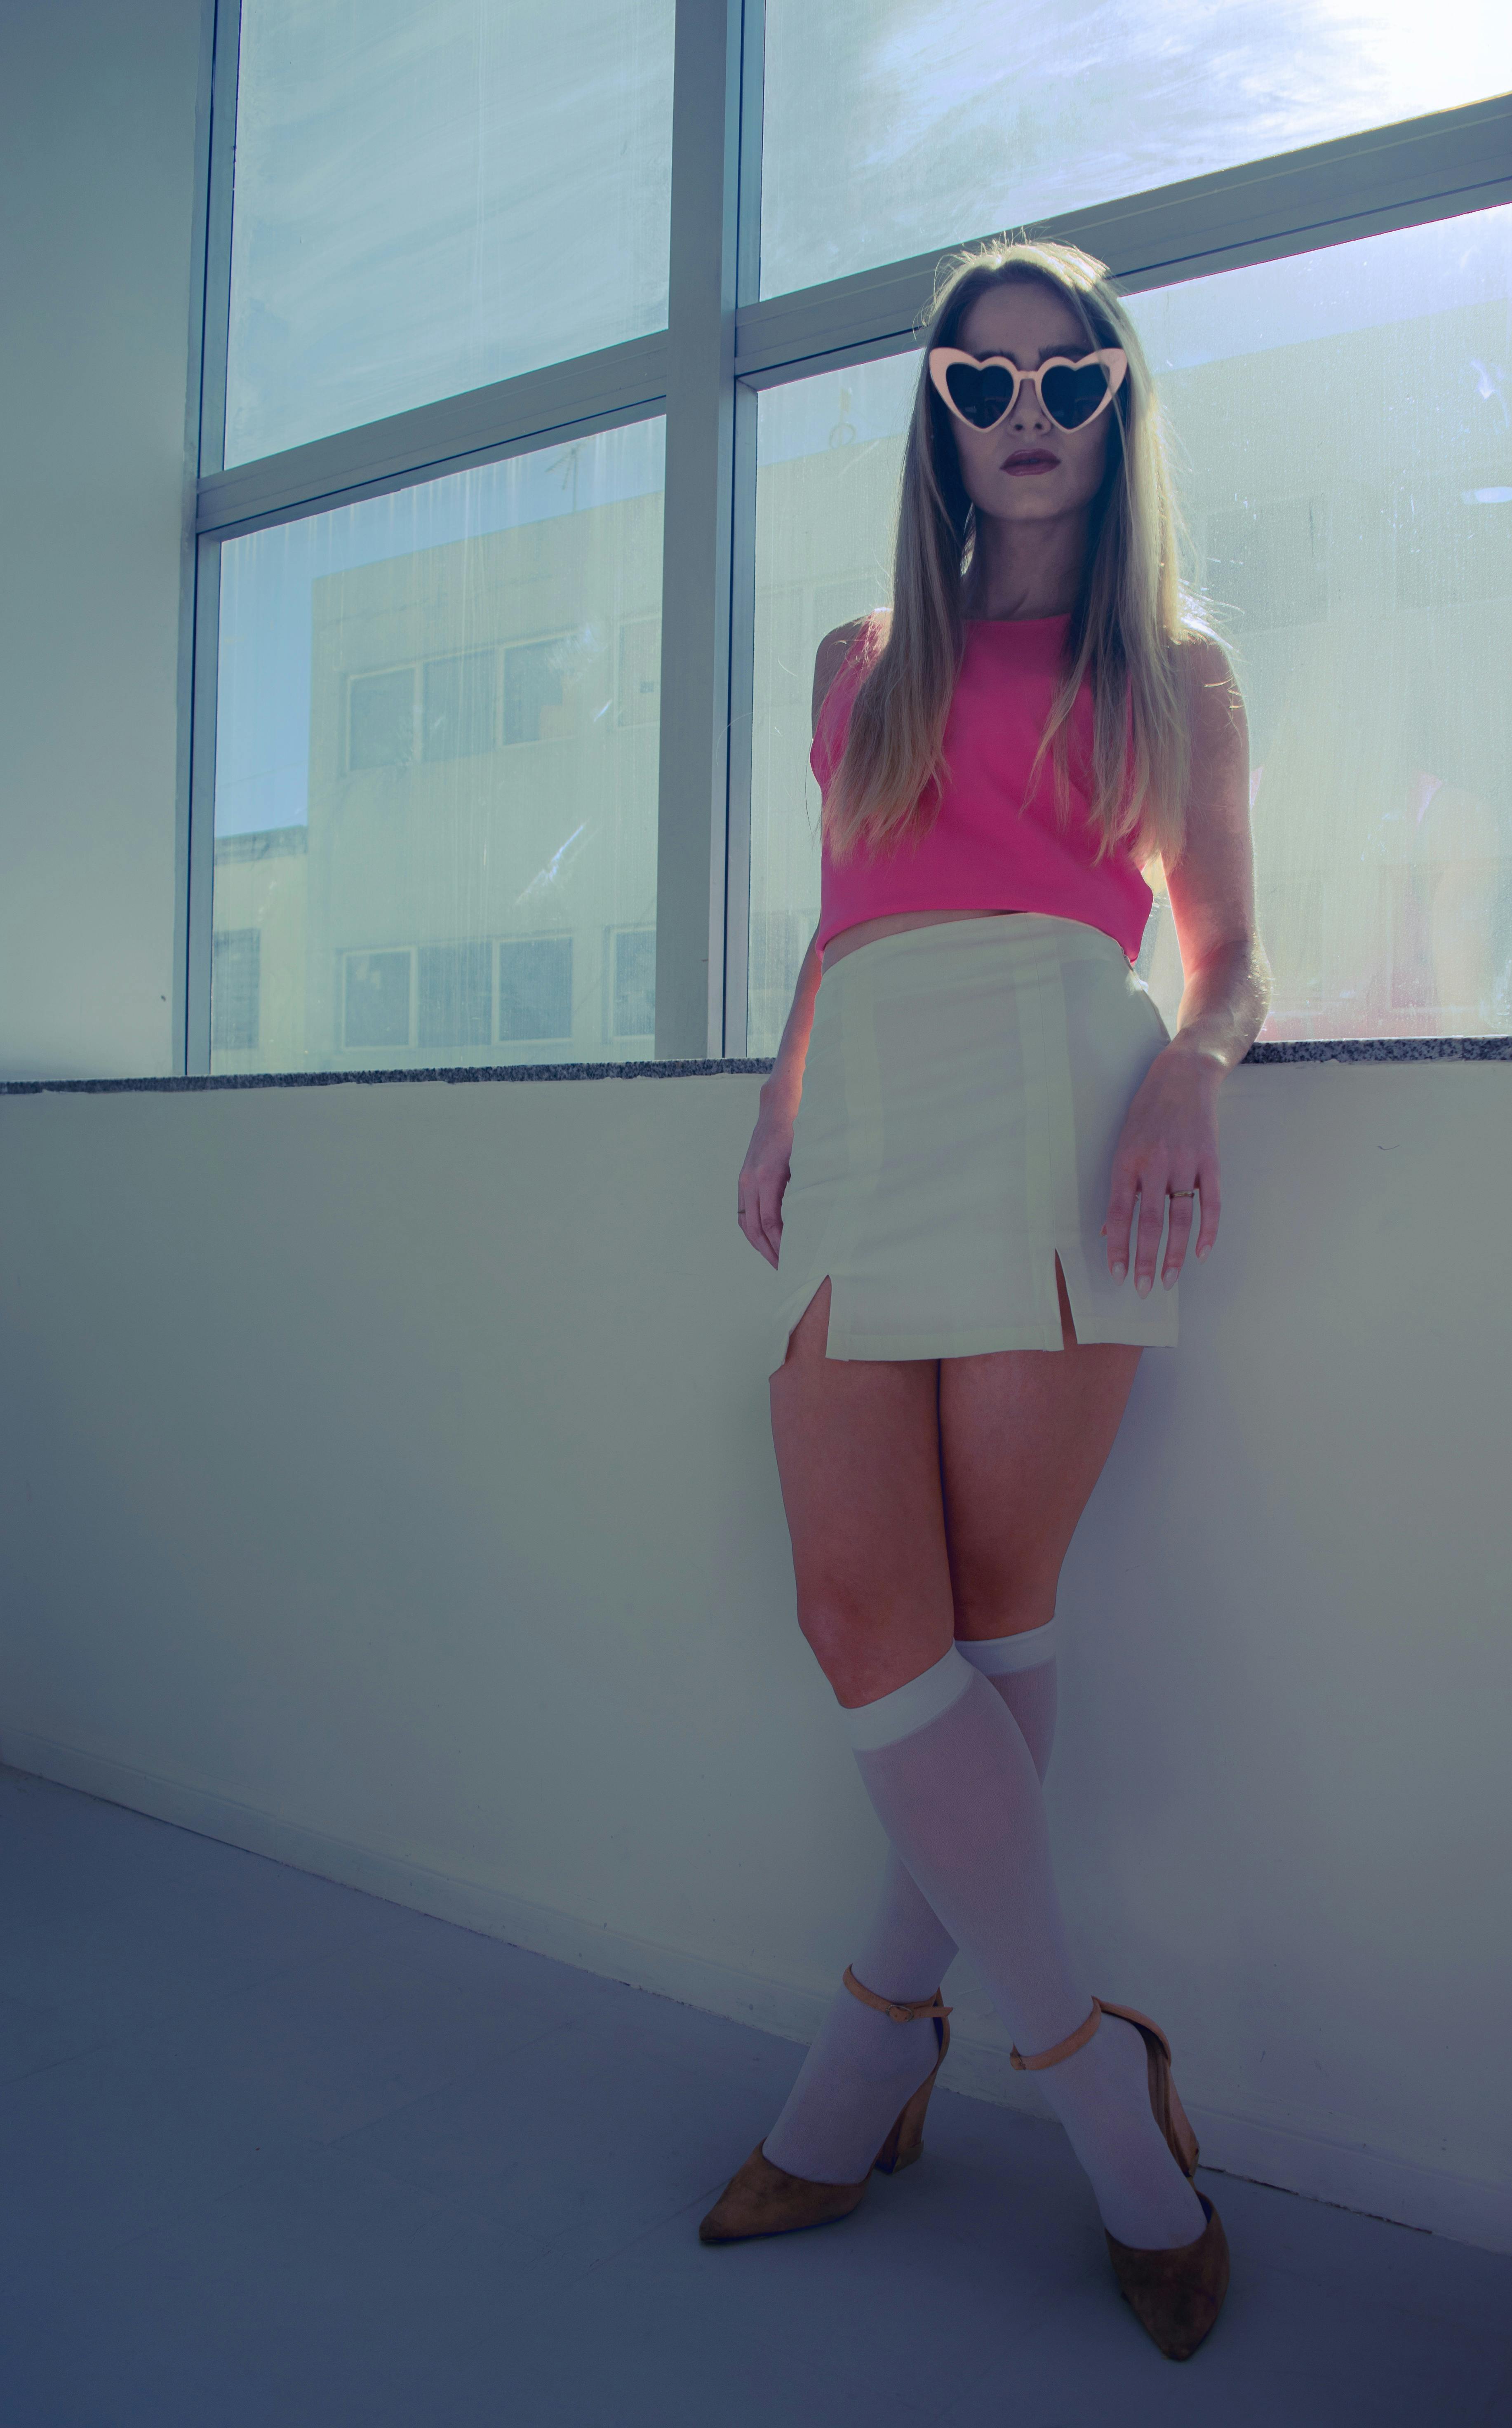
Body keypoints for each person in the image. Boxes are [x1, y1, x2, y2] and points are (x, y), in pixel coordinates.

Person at [700, 237, 1272, 2364]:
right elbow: (841, 926)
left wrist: (1188, 1091)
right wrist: (784, 1102)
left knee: (985, 1616)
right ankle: (1090, 2067)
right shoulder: (863, 661)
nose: (1026, 416)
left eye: (1068, 382)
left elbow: (1232, 959)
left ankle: (873, 2067)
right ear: (937, 412)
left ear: (1118, 412)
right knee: (867, 1610)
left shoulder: (1178, 674)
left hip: (1058, 1099)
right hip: (871, 1125)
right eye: (984, 382)